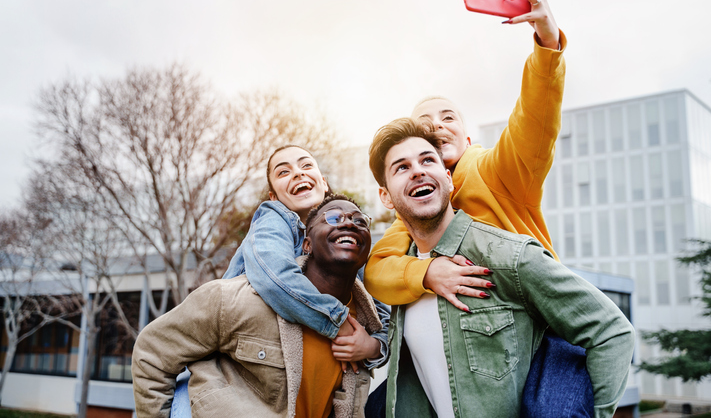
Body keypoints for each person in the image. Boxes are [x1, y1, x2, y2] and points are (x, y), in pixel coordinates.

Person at [367, 118, 635, 418]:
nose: (417, 170)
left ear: (448, 177)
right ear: (386, 197)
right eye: (401, 167)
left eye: (427, 160)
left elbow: (612, 331)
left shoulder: (508, 256)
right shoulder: (402, 283)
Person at [365, 0, 566, 313]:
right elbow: (377, 271)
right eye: (425, 122)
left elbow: (534, 121)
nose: (437, 125)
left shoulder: (498, 170)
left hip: (540, 332)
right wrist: (427, 272)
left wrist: (547, 45)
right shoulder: (415, 212)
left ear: (468, 138)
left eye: (448, 118)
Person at [170, 145, 389, 416]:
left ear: (324, 182)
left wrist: (372, 346)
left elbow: (381, 319)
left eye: (306, 166)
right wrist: (336, 321)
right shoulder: (274, 218)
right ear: (274, 196)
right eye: (284, 171)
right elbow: (275, 277)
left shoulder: (344, 245)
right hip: (221, 375)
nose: (297, 173)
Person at [132, 195, 383, 417]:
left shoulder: (366, 326)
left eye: (360, 221)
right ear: (307, 244)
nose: (349, 223)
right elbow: (151, 353)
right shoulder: (236, 299)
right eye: (334, 217)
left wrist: (373, 348)